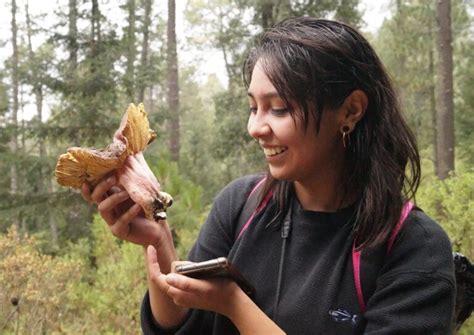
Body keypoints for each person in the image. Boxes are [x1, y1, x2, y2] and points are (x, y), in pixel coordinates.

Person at [82, 17, 456, 334]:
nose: (256, 127)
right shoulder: (242, 205)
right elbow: (184, 325)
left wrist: (233, 303)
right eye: (253, 107)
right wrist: (159, 243)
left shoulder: (412, 247)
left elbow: (224, 306)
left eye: (278, 108)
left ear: (351, 110)